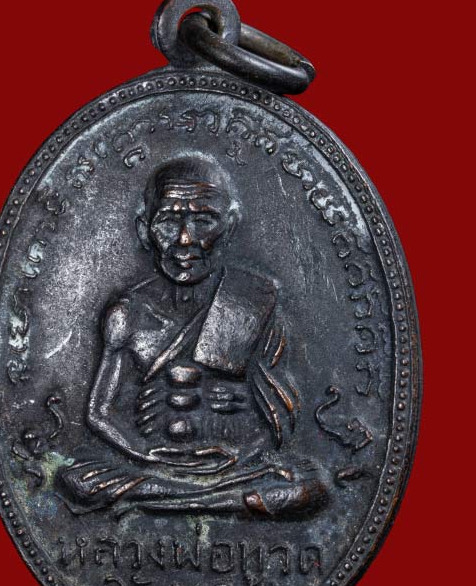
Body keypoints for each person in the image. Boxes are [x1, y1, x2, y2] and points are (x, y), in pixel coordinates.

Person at [57, 155, 327, 516]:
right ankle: (206, 501)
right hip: (151, 463)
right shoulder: (128, 313)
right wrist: (143, 452)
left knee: (308, 487)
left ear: (230, 226)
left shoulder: (253, 300)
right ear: (144, 229)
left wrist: (244, 434)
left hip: (233, 462)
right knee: (74, 480)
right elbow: (99, 411)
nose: (185, 240)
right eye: (168, 222)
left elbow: (282, 414)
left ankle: (168, 500)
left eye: (203, 221)